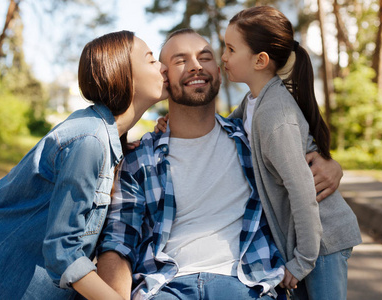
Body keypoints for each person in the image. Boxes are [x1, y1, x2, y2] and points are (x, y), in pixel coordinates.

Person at [96, 29, 344, 300]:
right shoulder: (140, 159)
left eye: (205, 57)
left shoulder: (252, 141)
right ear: (164, 76)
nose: (196, 66)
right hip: (166, 286)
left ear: (219, 69)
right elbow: (119, 240)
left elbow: (298, 159)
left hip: (248, 284)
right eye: (180, 61)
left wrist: (331, 164)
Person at [0, 30, 168, 300]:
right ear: (124, 74)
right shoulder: (90, 140)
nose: (163, 67)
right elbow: (62, 252)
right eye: (151, 60)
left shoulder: (106, 139)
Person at [221, 6, 362, 299]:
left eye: (231, 49)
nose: (223, 57)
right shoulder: (253, 103)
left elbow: (301, 191)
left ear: (260, 60)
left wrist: (302, 261)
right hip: (306, 243)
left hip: (322, 242)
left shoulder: (275, 115)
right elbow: (220, 127)